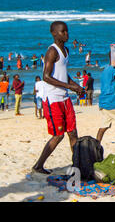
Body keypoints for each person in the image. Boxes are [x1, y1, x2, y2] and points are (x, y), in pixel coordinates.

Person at [32, 21, 84, 175]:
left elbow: (63, 75)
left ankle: (77, 165)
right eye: (62, 32)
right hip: (53, 99)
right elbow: (46, 77)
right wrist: (70, 87)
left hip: (64, 98)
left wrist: (76, 86)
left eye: (67, 31)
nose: (66, 34)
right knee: (58, 135)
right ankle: (38, 166)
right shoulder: (52, 51)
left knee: (73, 132)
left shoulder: (66, 50)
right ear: (54, 33)